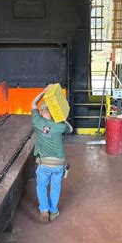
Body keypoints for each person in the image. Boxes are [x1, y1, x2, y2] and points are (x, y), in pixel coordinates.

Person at [31, 84, 72, 223]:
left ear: (42, 112)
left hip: (44, 164)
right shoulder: (61, 126)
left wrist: (44, 92)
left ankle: (44, 209)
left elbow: (33, 104)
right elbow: (69, 129)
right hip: (58, 164)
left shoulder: (37, 122)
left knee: (41, 185)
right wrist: (59, 115)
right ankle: (53, 211)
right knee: (55, 187)